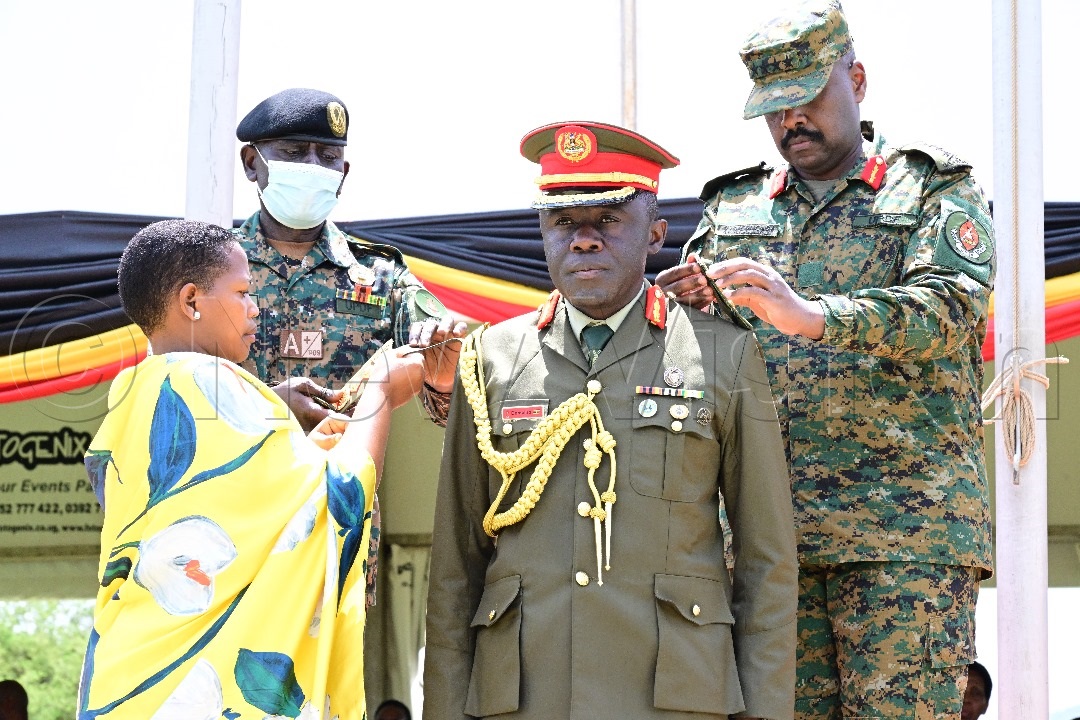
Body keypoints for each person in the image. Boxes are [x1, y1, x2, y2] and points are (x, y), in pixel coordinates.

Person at [657, 1, 995, 718]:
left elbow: (951, 311)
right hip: (766, 541)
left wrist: (812, 317)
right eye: (774, 109)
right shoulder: (733, 209)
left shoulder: (933, 187)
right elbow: (688, 354)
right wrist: (681, 308)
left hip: (903, 538)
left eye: (807, 98)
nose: (791, 123)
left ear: (858, 80)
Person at [423, 121, 798, 720]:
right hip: (524, 697)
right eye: (564, 222)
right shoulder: (490, 358)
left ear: (655, 233)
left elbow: (767, 561)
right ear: (543, 233)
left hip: (673, 698)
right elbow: (454, 567)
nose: (584, 241)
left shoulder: (722, 354)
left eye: (608, 220)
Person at [79, 219, 424, 719]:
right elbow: (336, 503)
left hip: (127, 679)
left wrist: (271, 411)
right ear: (192, 301)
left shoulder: (133, 391)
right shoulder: (211, 382)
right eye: (242, 292)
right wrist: (381, 393)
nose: (255, 307)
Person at [234, 87, 468, 606]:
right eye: (295, 153)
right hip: (231, 518)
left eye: (328, 157)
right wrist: (268, 410)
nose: (314, 167)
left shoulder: (381, 275)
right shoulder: (211, 267)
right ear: (253, 163)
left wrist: (445, 372)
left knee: (330, 684)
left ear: (344, 171)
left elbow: (448, 384)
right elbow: (173, 390)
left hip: (336, 521)